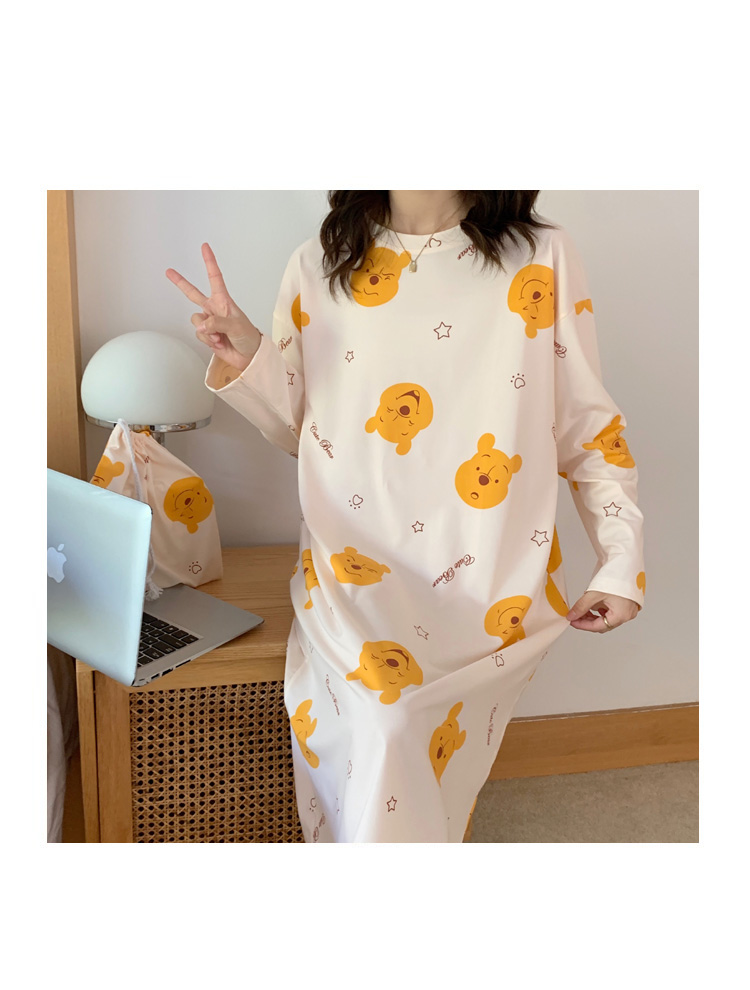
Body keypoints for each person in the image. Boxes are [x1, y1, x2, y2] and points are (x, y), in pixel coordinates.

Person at [166, 190, 645, 843]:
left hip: (491, 579)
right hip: (355, 570)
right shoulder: (319, 263)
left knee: (418, 757)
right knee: (385, 728)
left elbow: (589, 425)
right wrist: (250, 354)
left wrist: (622, 560)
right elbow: (303, 431)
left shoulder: (542, 255)